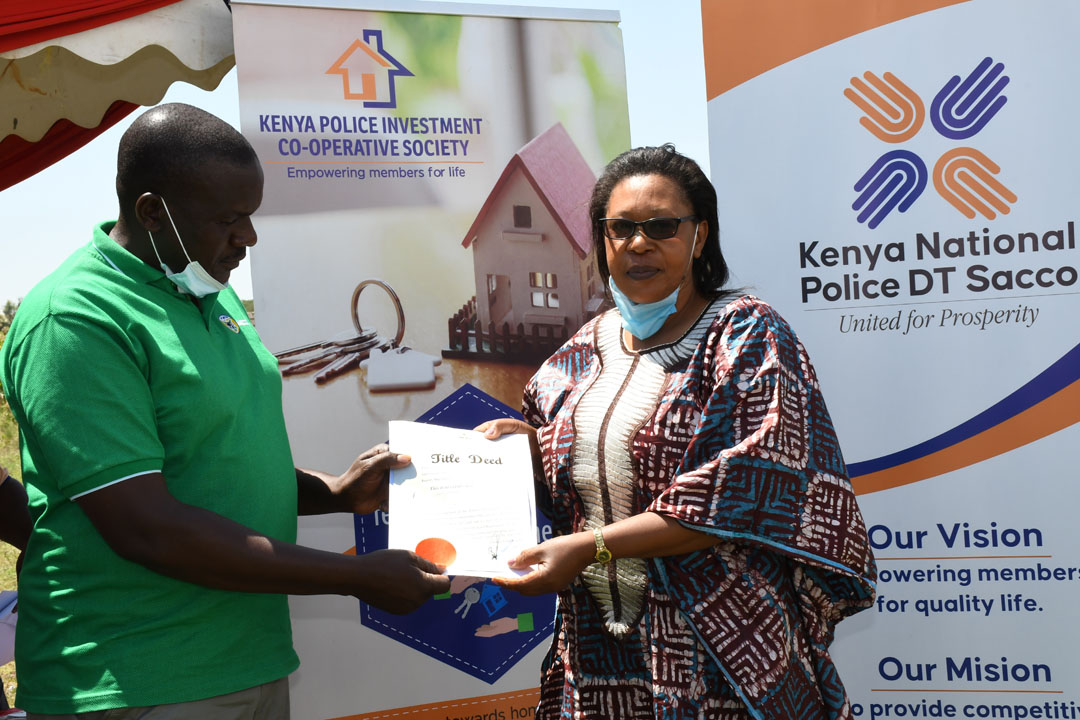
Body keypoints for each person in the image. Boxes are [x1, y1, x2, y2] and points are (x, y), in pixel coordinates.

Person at [0, 103, 450, 719]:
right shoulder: (76, 318)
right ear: (152, 212)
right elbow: (146, 526)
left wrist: (337, 492)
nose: (249, 238)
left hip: (248, 659)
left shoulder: (207, 292)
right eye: (228, 219)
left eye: (251, 216)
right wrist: (354, 577)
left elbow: (213, 461)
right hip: (138, 674)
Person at [478, 145, 877, 720]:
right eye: (620, 228)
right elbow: (568, 481)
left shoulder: (746, 335)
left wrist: (590, 547)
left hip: (720, 650)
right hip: (594, 655)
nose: (639, 243)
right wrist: (519, 451)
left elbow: (741, 489)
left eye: (662, 226)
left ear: (699, 236)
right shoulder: (578, 353)